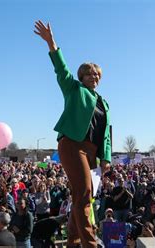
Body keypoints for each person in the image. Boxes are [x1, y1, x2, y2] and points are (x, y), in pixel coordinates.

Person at [34, 20, 112, 248]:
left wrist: (105, 157)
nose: (93, 77)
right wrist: (51, 42)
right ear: (81, 77)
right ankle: (90, 244)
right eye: (89, 74)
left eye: (96, 75)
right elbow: (61, 68)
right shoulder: (73, 89)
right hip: (72, 144)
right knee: (85, 193)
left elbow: (105, 133)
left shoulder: (104, 103)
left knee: (80, 196)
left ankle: (73, 241)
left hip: (91, 151)